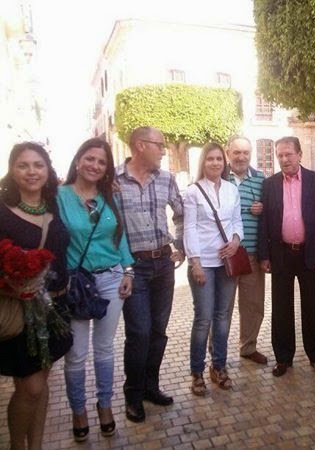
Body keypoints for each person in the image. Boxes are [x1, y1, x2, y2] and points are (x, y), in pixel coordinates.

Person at [57, 138, 134, 441]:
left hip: (111, 278)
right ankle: (78, 410)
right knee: (76, 353)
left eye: (102, 162)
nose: (95, 165)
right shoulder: (59, 196)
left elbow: (119, 235)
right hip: (75, 284)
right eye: (90, 159)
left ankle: (105, 405)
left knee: (104, 348)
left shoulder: (108, 196)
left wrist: (128, 270)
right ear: (78, 161)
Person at [0, 142, 72, 450]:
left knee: (40, 385)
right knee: (29, 388)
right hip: (21, 312)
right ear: (12, 171)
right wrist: (14, 284)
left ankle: (37, 445)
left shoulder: (54, 205)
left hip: (54, 308)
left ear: (47, 170)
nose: (31, 171)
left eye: (38, 165)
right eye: (23, 165)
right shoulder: (2, 211)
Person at [115, 126, 185, 423]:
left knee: (158, 331)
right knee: (139, 333)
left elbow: (181, 214)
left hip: (163, 265)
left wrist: (180, 244)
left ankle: (150, 387)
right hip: (134, 268)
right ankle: (132, 393)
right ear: (140, 145)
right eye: (160, 144)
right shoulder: (113, 181)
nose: (164, 150)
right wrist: (122, 266)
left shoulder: (167, 179)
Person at [258, 136, 315, 377]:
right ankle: (283, 358)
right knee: (281, 308)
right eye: (280, 155)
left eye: (289, 154)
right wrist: (264, 255)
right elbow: (264, 221)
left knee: (313, 306)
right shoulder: (270, 184)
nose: (284, 159)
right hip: (280, 253)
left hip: (309, 253)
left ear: (300, 154)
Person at [185, 142, 244, 395]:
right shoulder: (193, 192)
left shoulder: (231, 189)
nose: (216, 163)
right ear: (203, 162)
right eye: (210, 159)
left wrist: (235, 241)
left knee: (222, 317)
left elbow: (237, 221)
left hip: (226, 263)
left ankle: (219, 366)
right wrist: (195, 262)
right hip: (204, 264)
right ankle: (196, 372)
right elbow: (189, 228)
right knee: (203, 318)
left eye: (219, 158)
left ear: (224, 162)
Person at [223, 135, 267, 364]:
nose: (241, 157)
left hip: (252, 254)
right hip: (225, 255)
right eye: (237, 152)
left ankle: (248, 347)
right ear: (228, 152)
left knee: (253, 305)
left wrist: (264, 208)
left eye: (246, 153)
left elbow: (272, 213)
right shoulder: (218, 176)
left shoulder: (261, 180)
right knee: (222, 308)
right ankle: (217, 354)